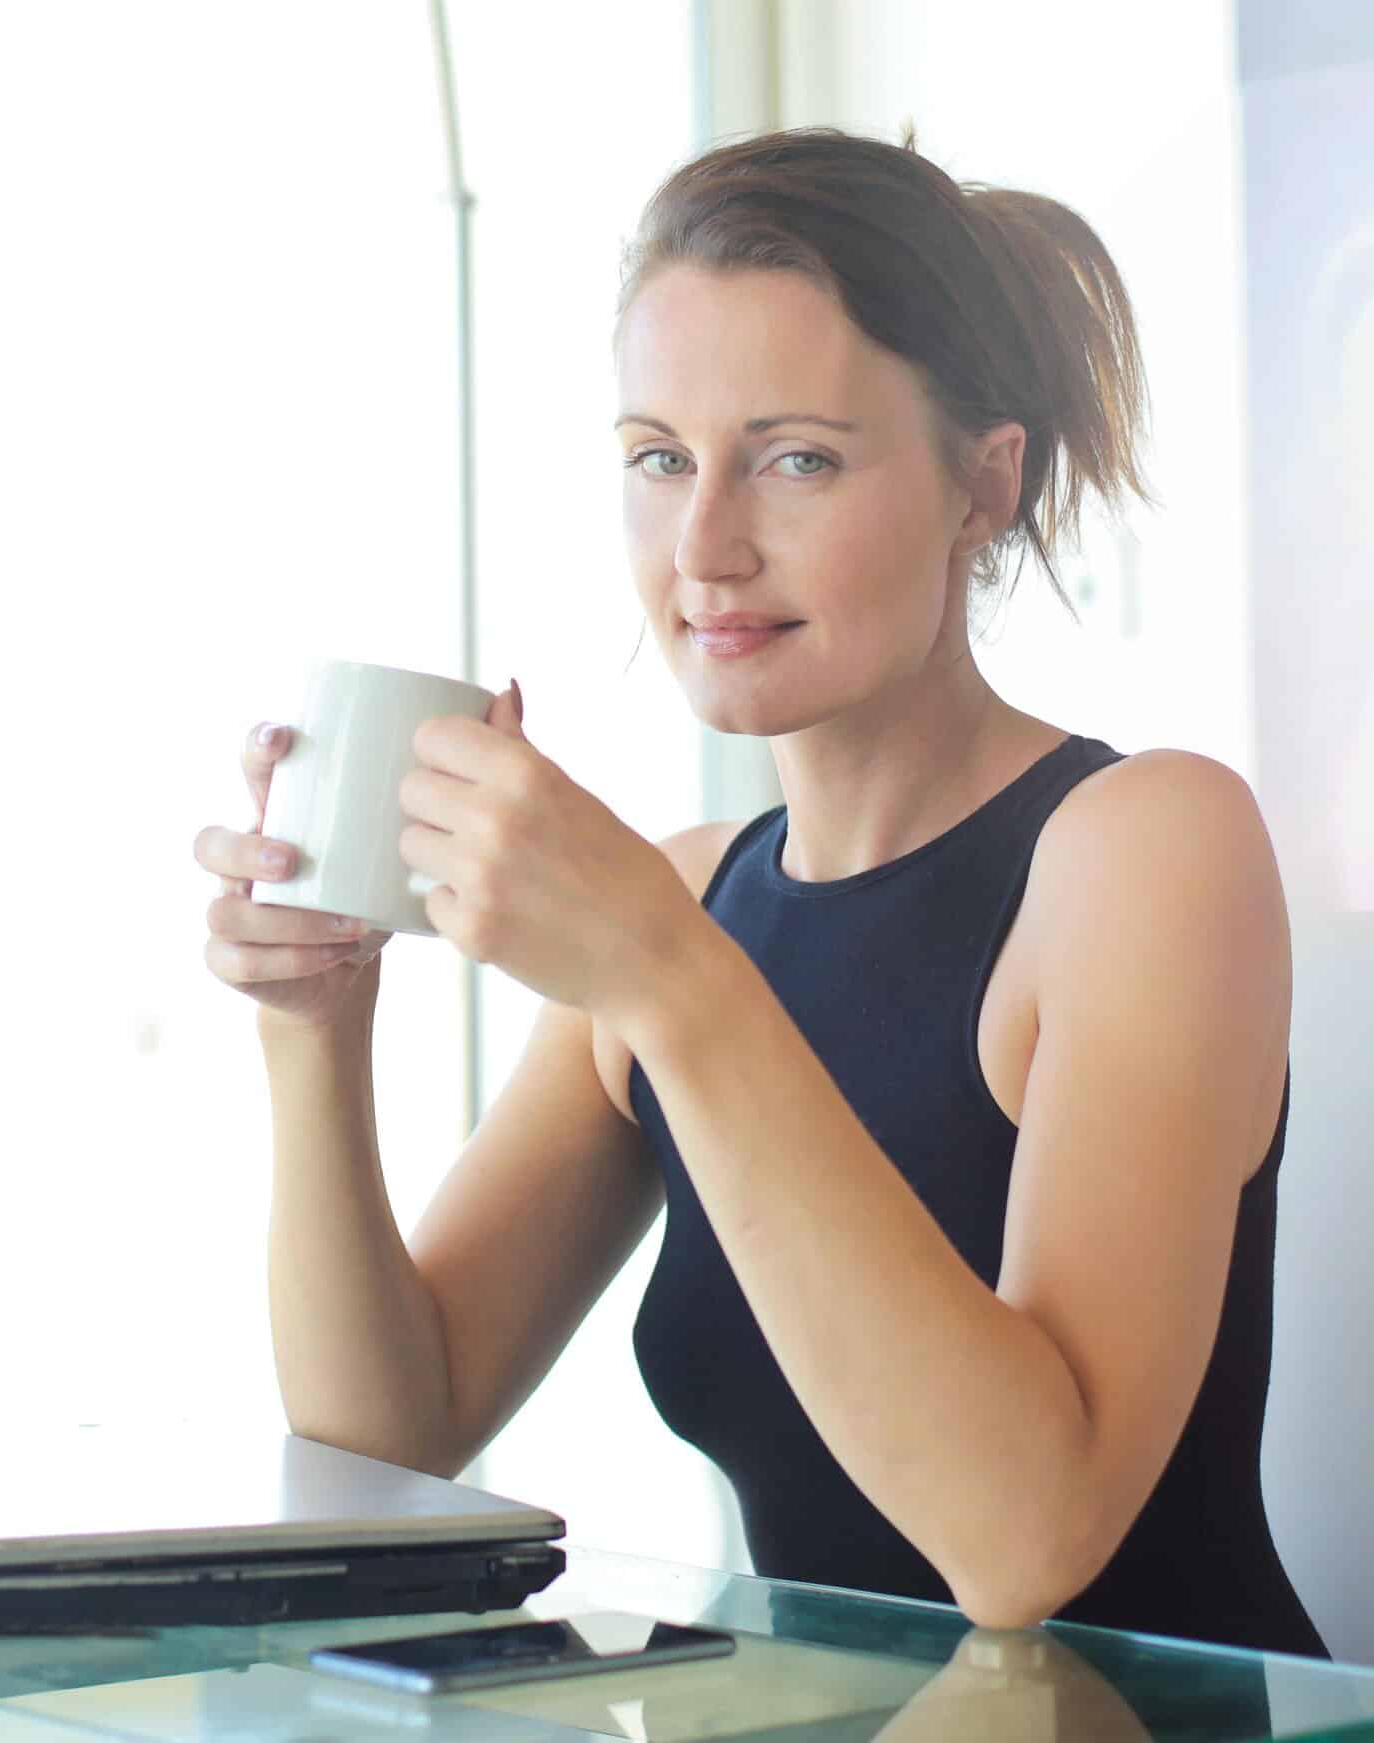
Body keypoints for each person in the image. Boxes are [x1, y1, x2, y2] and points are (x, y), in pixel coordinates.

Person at [191, 127, 1325, 1659]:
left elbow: (1025, 1538)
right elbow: (386, 1437)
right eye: (659, 458)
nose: (706, 547)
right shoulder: (689, 897)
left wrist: (666, 978)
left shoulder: (1144, 848)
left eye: (797, 457)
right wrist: (313, 1032)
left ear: (984, 485)